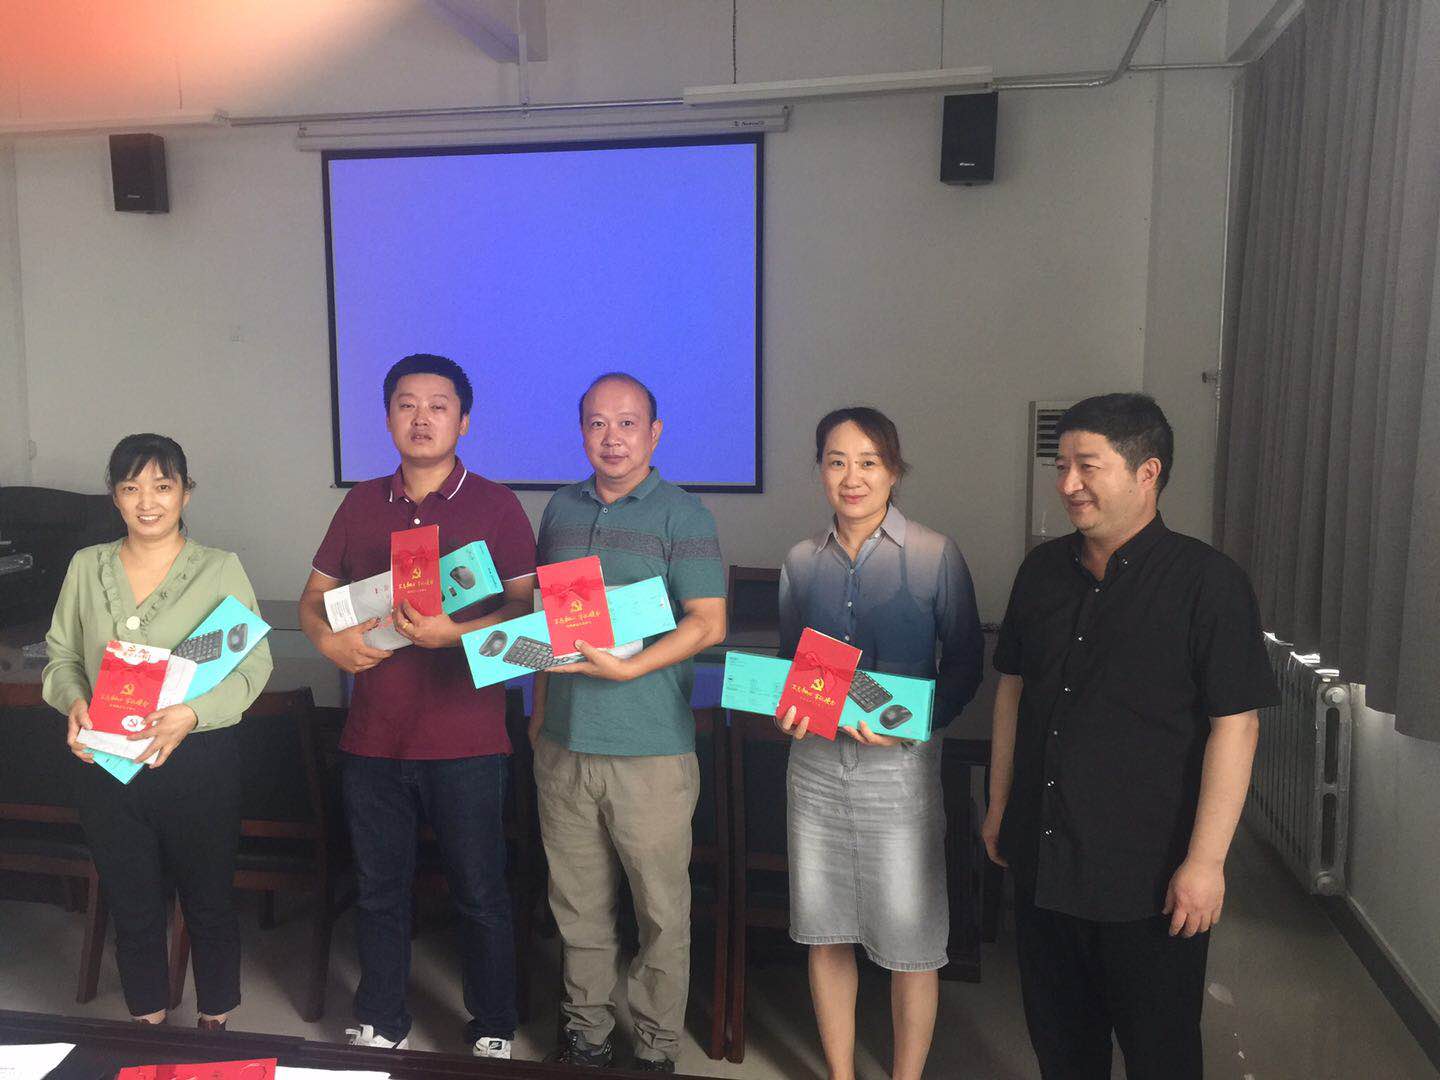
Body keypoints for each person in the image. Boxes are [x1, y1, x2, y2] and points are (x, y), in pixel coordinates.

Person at [982, 393, 1278, 1079]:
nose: (1068, 484)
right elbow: (1014, 690)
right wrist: (1000, 805)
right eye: (1061, 466)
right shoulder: (1040, 572)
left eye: (1088, 466)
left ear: (1148, 472)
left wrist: (1206, 863)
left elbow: (1236, 726)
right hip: (1045, 858)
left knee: (1160, 1053)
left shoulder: (1208, 584)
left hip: (1149, 880)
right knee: (1061, 1047)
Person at [297, 354, 537, 1058]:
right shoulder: (361, 503)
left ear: (464, 421)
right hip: (373, 737)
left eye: (438, 405)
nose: (422, 417)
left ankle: (493, 1025)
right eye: (407, 404)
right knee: (379, 889)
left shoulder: (497, 504)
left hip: (468, 739)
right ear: (388, 418)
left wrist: (451, 633)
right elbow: (313, 599)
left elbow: (526, 611)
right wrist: (328, 642)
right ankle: (381, 1019)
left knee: (480, 893)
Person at [774, 406, 983, 1080]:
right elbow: (791, 666)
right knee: (825, 929)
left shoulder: (933, 554)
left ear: (894, 470)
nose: (852, 477)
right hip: (815, 768)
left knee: (911, 940)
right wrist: (791, 710)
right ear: (820, 471)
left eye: (869, 462)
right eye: (837, 461)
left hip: (900, 773)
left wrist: (909, 722)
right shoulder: (800, 561)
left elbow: (965, 666)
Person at [529, 372, 727, 1073]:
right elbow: (549, 624)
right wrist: (541, 718)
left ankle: (654, 1046)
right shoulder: (560, 508)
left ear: (655, 433)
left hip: (651, 749)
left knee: (660, 912)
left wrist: (631, 669)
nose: (611, 438)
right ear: (582, 432)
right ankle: (586, 1034)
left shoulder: (684, 515)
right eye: (597, 423)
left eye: (628, 423)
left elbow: (708, 622)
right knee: (576, 905)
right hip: (564, 745)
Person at [43, 433, 273, 1030]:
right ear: (114, 496)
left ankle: (215, 1023)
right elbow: (61, 655)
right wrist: (73, 701)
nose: (147, 501)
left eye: (163, 486)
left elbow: (253, 665)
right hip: (108, 763)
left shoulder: (219, 569)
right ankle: (148, 1029)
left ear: (185, 493)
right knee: (133, 904)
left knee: (209, 901)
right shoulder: (87, 566)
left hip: (198, 763)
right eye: (131, 487)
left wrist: (193, 713)